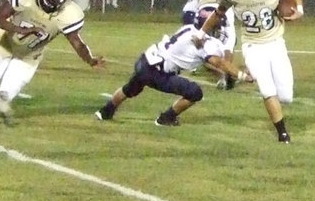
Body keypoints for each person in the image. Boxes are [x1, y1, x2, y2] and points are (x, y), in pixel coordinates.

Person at [200, 0, 302, 143]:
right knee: (266, 88)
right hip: (252, 45)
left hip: (275, 42)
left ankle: (272, 99)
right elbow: (219, 12)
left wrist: (299, 8)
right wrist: (201, 32)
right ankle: (282, 133)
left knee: (286, 96)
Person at [95, 8, 253, 126]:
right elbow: (217, 62)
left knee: (131, 87)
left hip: (145, 61)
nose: (219, 28)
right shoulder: (206, 42)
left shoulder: (188, 28)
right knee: (194, 92)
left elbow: (209, 62)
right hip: (158, 72)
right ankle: (166, 118)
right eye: (217, 25)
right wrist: (242, 75)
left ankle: (105, 111)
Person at [0, 0, 106, 113]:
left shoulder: (68, 14)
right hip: (4, 43)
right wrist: (20, 29)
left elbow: (77, 42)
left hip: (29, 55)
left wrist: (90, 60)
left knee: (3, 97)